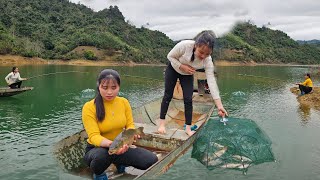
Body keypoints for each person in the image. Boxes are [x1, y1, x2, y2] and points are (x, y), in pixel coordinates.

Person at [82, 69, 158, 180]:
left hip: (121, 144)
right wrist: (113, 145)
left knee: (151, 160)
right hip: (97, 149)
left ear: (119, 87)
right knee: (101, 158)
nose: (109, 92)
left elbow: (130, 125)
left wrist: (132, 135)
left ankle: (119, 162)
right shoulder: (89, 107)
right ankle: (99, 173)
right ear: (99, 86)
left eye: (114, 88)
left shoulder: (124, 102)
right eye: (105, 88)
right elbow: (93, 136)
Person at [158, 30, 228, 136]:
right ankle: (162, 124)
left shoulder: (208, 61)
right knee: (167, 96)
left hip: (187, 75)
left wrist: (219, 106)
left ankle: (188, 128)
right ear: (196, 45)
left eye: (207, 54)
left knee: (188, 100)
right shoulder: (184, 46)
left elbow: (211, 81)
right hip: (173, 69)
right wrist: (182, 66)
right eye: (201, 52)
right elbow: (170, 56)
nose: (203, 56)